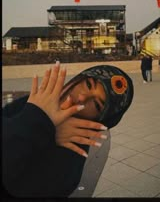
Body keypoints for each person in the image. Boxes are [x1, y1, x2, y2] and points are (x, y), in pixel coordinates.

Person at [2, 62, 134, 197]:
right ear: (78, 79)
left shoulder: (71, 160)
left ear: (100, 119)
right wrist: (46, 126)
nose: (83, 97)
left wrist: (41, 127)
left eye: (96, 104)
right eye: (88, 85)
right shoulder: (38, 102)